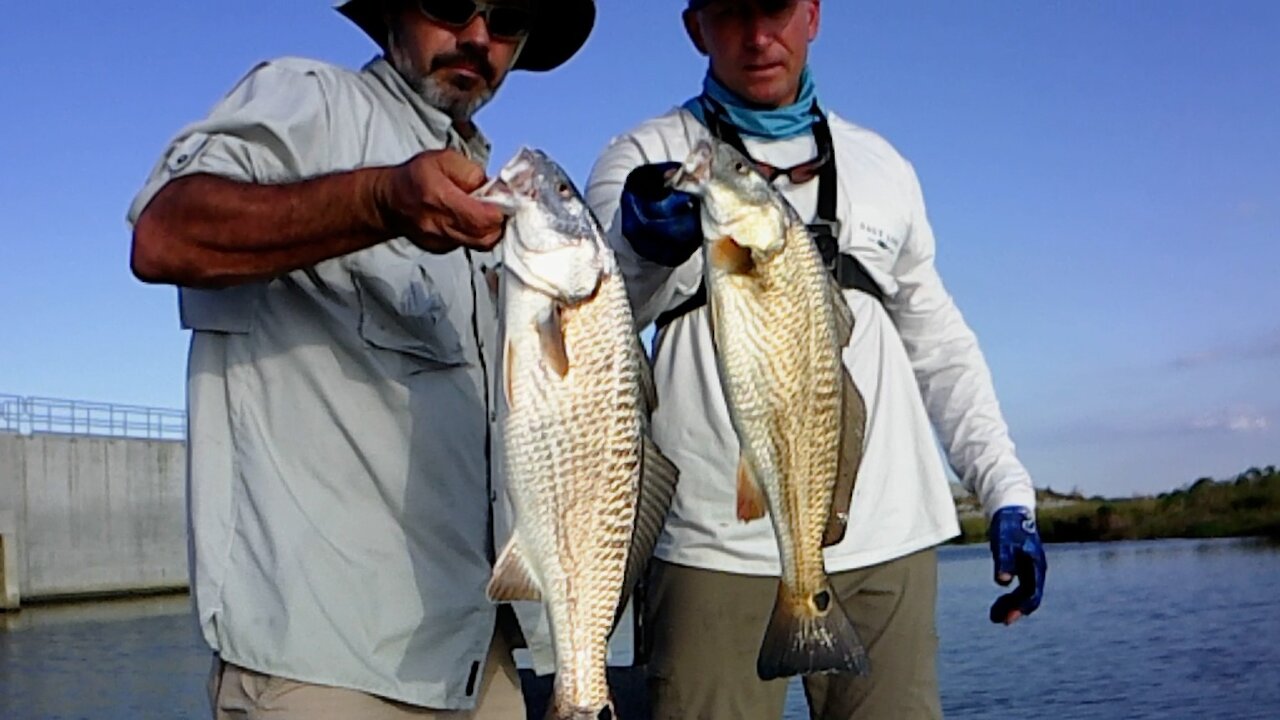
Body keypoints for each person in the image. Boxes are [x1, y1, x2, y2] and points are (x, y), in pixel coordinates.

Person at [126, 1, 594, 717]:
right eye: (449, 2)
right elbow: (165, 235)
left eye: (509, 18)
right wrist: (381, 200)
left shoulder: (484, 198)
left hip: (477, 657)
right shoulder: (309, 96)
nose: (476, 36)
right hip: (326, 664)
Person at [584, 1, 1048, 718]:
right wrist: (642, 249)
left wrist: (1007, 491)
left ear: (812, 15)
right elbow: (593, 324)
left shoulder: (883, 166)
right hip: (712, 543)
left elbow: (940, 344)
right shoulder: (642, 157)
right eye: (731, 13)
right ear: (694, 27)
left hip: (890, 537)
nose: (758, 35)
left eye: (775, 9)